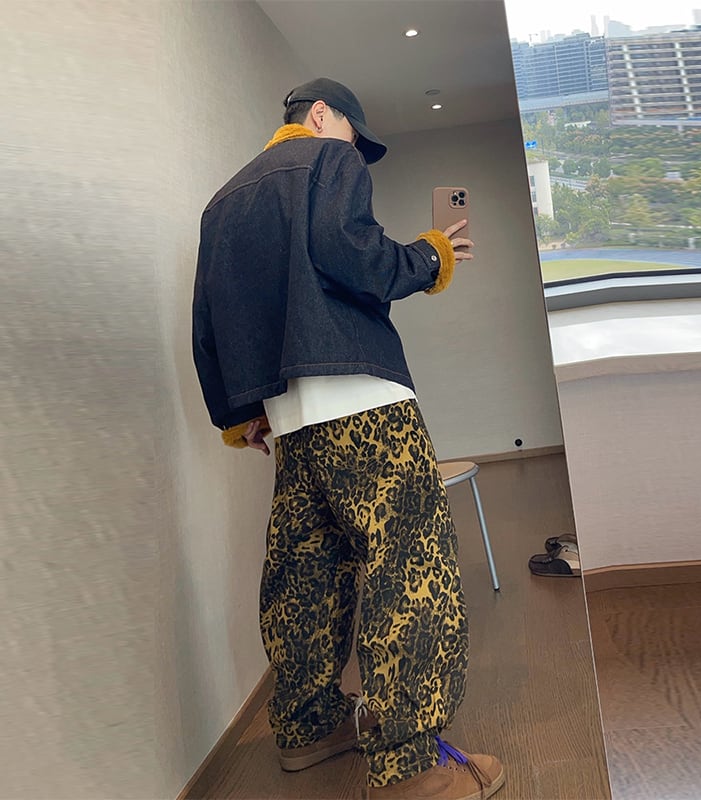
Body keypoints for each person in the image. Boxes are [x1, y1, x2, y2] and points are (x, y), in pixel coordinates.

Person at [192, 77, 504, 799]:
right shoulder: (327, 159)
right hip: (364, 404)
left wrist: (241, 413)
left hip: (293, 419)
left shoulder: (222, 203)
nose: (356, 152)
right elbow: (356, 256)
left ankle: (307, 726)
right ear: (320, 115)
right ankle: (410, 769)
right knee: (410, 564)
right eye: (353, 136)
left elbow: (209, 319)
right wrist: (431, 256)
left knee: (306, 571)